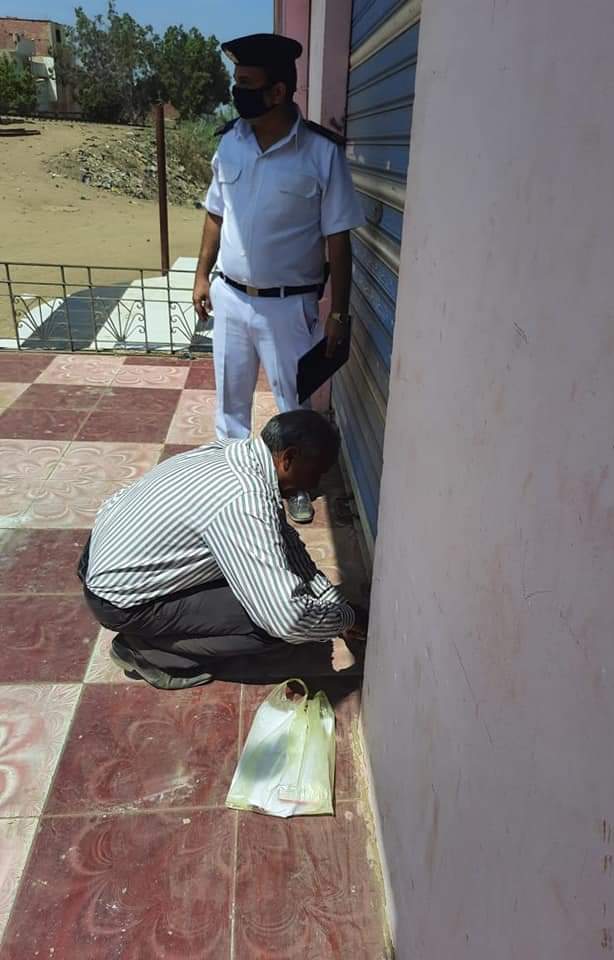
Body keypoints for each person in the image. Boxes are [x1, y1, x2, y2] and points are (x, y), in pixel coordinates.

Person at [192, 32, 365, 524]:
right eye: (236, 81)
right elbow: (214, 215)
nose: (236, 92)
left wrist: (339, 313)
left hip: (289, 306)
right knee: (230, 401)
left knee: (293, 404)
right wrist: (202, 276)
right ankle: (230, 480)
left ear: (278, 91)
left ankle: (297, 486)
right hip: (230, 296)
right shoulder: (230, 144)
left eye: (246, 83)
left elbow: (339, 241)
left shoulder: (320, 154)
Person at [78, 411, 368, 691]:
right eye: (315, 473)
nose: (314, 487)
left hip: (101, 555)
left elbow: (284, 541)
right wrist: (343, 620)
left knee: (276, 580)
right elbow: (287, 620)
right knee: (270, 624)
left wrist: (333, 600)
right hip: (117, 598)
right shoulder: (245, 499)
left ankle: (155, 635)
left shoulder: (235, 452)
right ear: (288, 458)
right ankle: (147, 651)